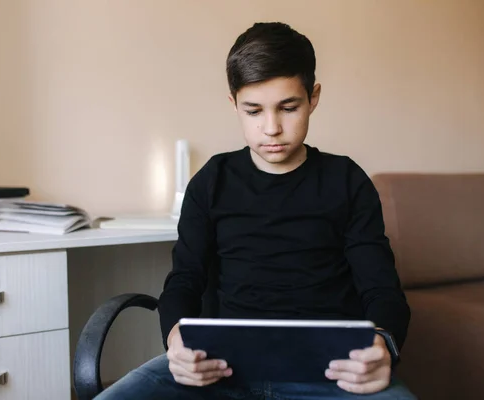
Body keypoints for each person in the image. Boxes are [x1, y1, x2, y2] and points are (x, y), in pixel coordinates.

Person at [95, 22, 417, 400]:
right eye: (253, 111)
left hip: (328, 372)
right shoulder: (211, 182)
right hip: (216, 367)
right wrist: (175, 339)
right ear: (233, 104)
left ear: (313, 98)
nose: (272, 128)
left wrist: (381, 344)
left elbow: (382, 292)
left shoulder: (347, 181)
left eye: (288, 107)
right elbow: (183, 281)